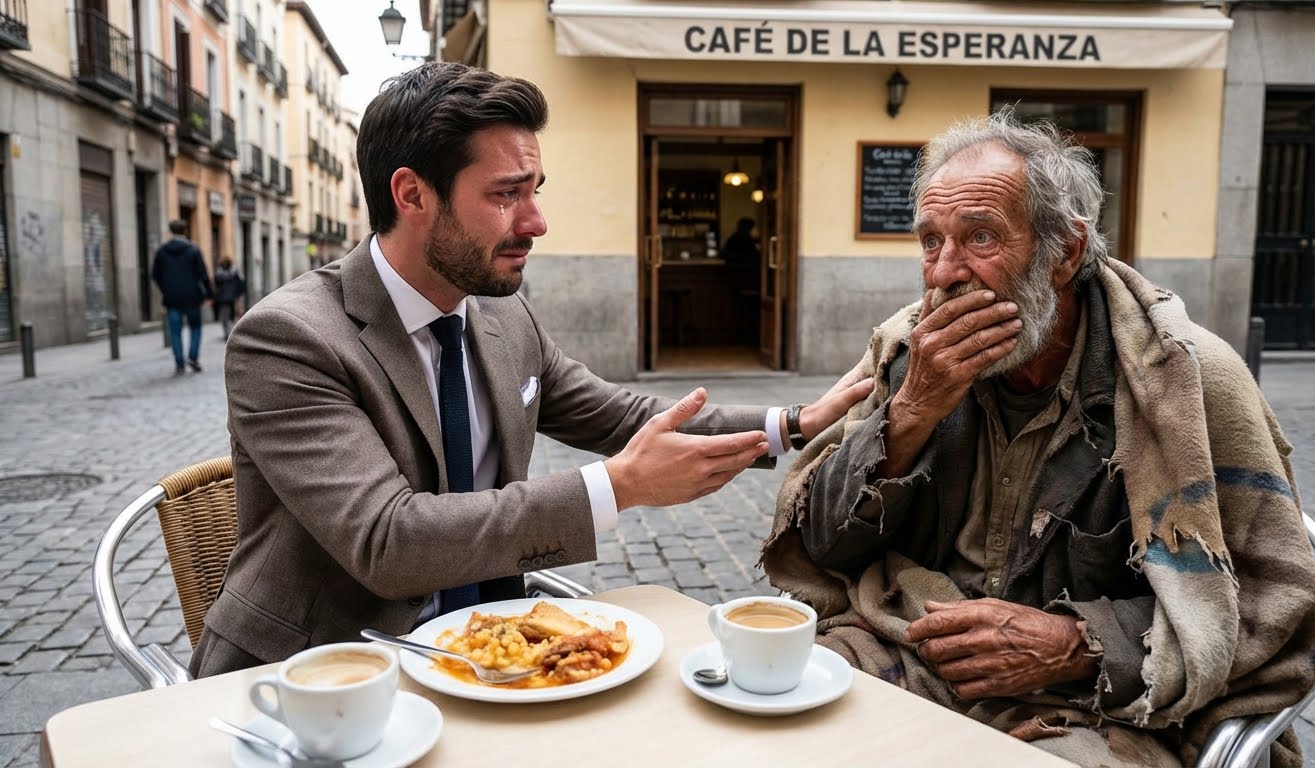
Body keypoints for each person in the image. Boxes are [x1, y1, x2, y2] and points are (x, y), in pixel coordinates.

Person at [188, 62, 873, 678]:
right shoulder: (289, 338)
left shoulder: (500, 314)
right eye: (507, 194)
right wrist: (616, 488)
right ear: (413, 195)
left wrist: (793, 423)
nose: (537, 222)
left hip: (493, 653)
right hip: (320, 674)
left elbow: (617, 415)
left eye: (535, 190)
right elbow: (387, 539)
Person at [760, 112, 1315, 768]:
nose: (944, 272)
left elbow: (1276, 610)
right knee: (772, 726)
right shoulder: (905, 353)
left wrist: (1076, 643)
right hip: (912, 641)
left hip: (1093, 698)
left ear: (1063, 252)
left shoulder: (1183, 378)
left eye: (978, 238)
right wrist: (911, 412)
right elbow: (821, 546)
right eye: (929, 241)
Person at [151, 220, 212, 375]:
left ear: (171, 231)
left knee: (175, 332)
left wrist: (166, 289)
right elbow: (203, 274)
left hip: (172, 298)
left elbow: (155, 275)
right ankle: (192, 357)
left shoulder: (162, 251)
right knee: (195, 328)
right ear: (185, 231)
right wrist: (209, 293)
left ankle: (179, 363)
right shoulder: (193, 250)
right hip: (192, 296)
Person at [721, 217, 761, 344]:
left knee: (739, 309)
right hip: (746, 280)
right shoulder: (746, 240)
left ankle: (741, 335)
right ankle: (751, 336)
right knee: (752, 307)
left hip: (734, 280)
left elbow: (724, 254)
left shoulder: (735, 238)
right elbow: (755, 258)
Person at [213, 257, 246, 339]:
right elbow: (241, 284)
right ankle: (230, 333)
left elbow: (216, 284)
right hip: (232, 298)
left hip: (223, 298)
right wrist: (238, 294)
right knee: (231, 316)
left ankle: (227, 333)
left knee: (225, 317)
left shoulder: (218, 273)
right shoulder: (235, 272)